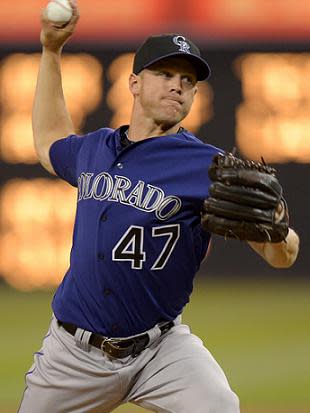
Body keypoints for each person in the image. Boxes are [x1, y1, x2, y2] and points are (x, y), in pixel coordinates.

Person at [19, 2, 299, 413]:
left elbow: (282, 255)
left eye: (187, 80)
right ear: (133, 83)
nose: (177, 86)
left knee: (221, 406)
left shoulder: (207, 165)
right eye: (164, 74)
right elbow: (48, 143)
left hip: (160, 350)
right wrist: (50, 52)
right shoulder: (96, 148)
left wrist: (276, 227)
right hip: (72, 355)